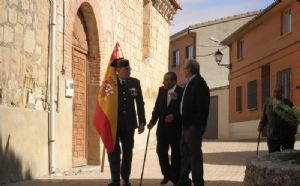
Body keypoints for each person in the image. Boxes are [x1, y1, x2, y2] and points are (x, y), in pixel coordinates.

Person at [108, 58, 146, 186]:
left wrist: (142, 122)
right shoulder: (110, 83)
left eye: (129, 69)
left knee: (128, 153)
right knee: (113, 152)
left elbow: (139, 103)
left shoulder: (135, 82)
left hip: (129, 124)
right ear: (118, 71)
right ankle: (115, 180)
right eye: (126, 69)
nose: (129, 71)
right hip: (114, 124)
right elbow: (105, 102)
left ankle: (125, 179)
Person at [176, 59, 210, 186]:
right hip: (186, 125)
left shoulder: (199, 83)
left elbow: (203, 107)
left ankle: (198, 182)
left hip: (193, 126)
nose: (183, 70)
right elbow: (188, 102)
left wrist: (197, 125)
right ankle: (184, 180)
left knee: (195, 155)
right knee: (185, 154)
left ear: (189, 70)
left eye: (184, 68)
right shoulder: (190, 83)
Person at [147, 72, 183, 185]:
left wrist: (174, 116)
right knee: (161, 152)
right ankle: (167, 174)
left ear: (174, 81)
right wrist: (152, 122)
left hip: (176, 129)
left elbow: (184, 110)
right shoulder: (161, 90)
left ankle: (175, 176)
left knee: (176, 154)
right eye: (164, 79)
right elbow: (157, 108)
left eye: (166, 80)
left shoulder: (182, 92)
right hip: (162, 129)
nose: (164, 82)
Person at [258, 86, 298, 153]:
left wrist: (294, 131)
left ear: (282, 93)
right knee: (273, 156)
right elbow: (264, 117)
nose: (276, 93)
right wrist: (260, 126)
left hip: (287, 136)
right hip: (272, 135)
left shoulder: (288, 102)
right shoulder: (267, 104)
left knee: (287, 156)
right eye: (274, 92)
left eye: (278, 92)